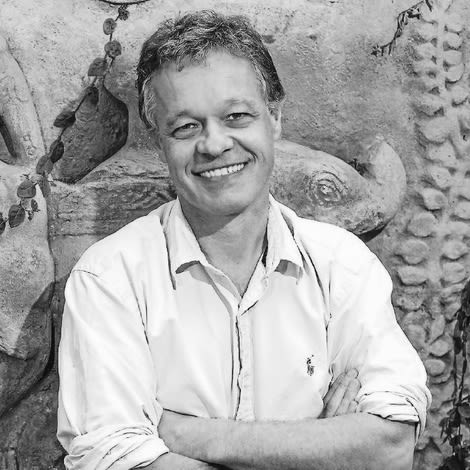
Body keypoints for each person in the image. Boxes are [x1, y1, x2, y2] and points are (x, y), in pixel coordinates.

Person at [57, 10, 431, 470]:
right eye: (186, 126)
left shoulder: (342, 266)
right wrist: (323, 447)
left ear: (274, 118)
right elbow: (117, 460)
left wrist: (189, 436)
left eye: (236, 116)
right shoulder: (110, 279)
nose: (214, 145)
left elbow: (391, 447)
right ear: (158, 143)